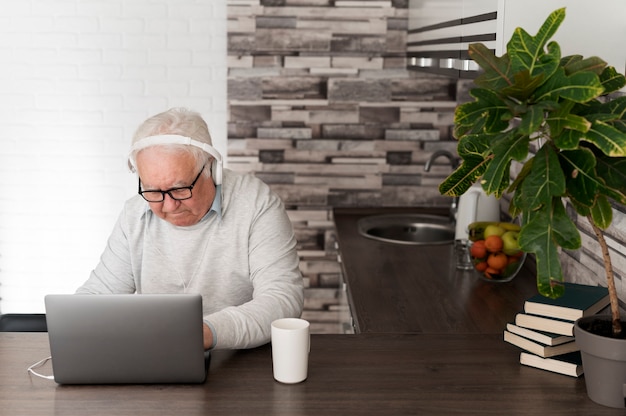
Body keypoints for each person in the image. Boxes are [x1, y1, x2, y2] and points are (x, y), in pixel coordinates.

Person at [76, 107, 304, 350]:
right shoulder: (134, 214)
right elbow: (98, 296)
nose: (169, 205)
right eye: (153, 191)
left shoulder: (256, 203)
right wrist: (74, 323)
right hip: (158, 356)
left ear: (211, 170)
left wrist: (203, 333)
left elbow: (282, 299)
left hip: (240, 363)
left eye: (180, 189)